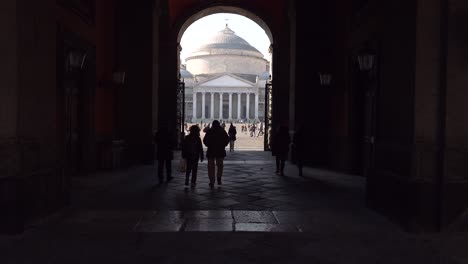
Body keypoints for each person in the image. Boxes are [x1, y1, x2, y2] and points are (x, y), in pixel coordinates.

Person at [203, 120, 230, 188]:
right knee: (220, 165)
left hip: (211, 151)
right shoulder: (222, 131)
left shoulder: (210, 131)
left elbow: (205, 140)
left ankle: (212, 180)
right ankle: (219, 178)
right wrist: (223, 145)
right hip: (220, 151)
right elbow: (227, 139)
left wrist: (209, 145)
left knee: (211, 166)